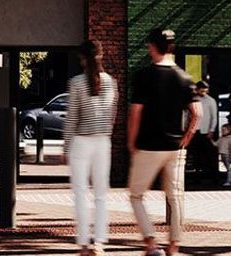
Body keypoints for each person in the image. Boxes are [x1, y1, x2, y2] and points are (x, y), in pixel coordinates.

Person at [127, 28, 199, 256]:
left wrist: (131, 142)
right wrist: (186, 139)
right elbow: (197, 113)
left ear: (152, 47)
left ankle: (151, 243)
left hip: (149, 145)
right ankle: (174, 247)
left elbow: (136, 113)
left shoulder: (143, 76)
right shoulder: (184, 77)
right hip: (176, 147)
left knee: (136, 195)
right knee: (175, 196)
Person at [64, 39, 116, 256]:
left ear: (82, 59)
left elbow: (72, 117)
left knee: (80, 193)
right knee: (101, 194)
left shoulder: (76, 83)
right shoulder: (110, 82)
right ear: (100, 56)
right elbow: (112, 115)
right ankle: (100, 242)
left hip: (81, 142)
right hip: (103, 141)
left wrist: (66, 147)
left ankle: (84, 244)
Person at [187, 81, 219, 186]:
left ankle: (215, 178)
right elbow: (188, 115)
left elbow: (214, 117)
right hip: (195, 130)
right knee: (196, 156)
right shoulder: (193, 100)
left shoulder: (211, 101)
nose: (203, 91)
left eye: (205, 89)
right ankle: (197, 178)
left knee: (210, 155)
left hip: (206, 132)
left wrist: (212, 130)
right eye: (201, 89)